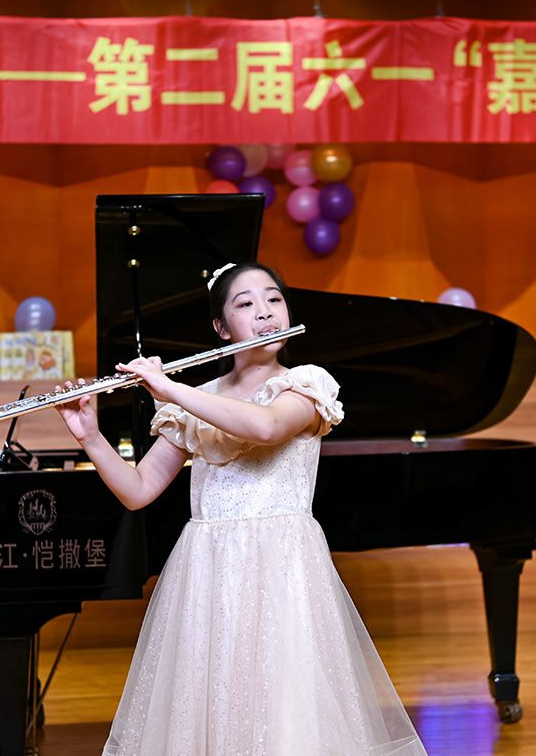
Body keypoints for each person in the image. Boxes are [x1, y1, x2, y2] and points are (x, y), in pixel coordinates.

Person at [54, 262, 427, 756]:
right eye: (246, 304)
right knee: (211, 709)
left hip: (283, 569)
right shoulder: (195, 401)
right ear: (222, 328)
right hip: (207, 573)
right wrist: (91, 436)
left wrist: (169, 388)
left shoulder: (306, 384)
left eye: (274, 300)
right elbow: (138, 490)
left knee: (284, 712)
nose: (266, 313)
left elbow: (267, 427)